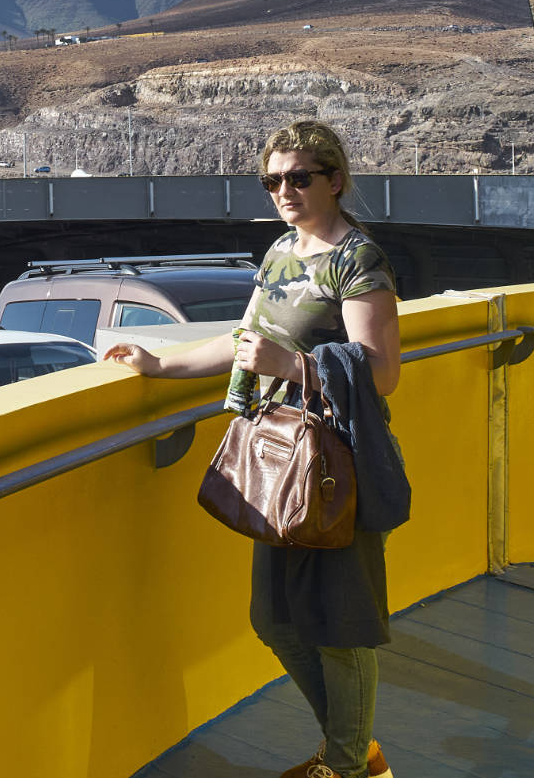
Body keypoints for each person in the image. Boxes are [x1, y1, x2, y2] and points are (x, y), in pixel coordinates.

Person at [105, 120, 402, 778]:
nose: (285, 190)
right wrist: (160, 363)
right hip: (275, 457)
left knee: (339, 622)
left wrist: (291, 364)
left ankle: (349, 762)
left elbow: (380, 372)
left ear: (336, 180)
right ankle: (355, 754)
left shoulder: (357, 259)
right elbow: (246, 339)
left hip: (333, 463)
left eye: (300, 177)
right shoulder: (280, 253)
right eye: (273, 180)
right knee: (277, 620)